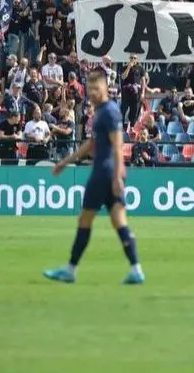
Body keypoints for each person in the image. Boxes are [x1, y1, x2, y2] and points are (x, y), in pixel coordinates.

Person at [43, 69, 145, 285]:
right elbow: (91, 144)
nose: (92, 93)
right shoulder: (103, 111)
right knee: (119, 221)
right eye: (89, 89)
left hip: (103, 173)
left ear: (106, 88)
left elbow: (118, 145)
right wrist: (65, 161)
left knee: (85, 219)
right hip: (109, 172)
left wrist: (117, 176)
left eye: (96, 89)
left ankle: (70, 270)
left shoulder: (109, 112)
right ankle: (136, 269)